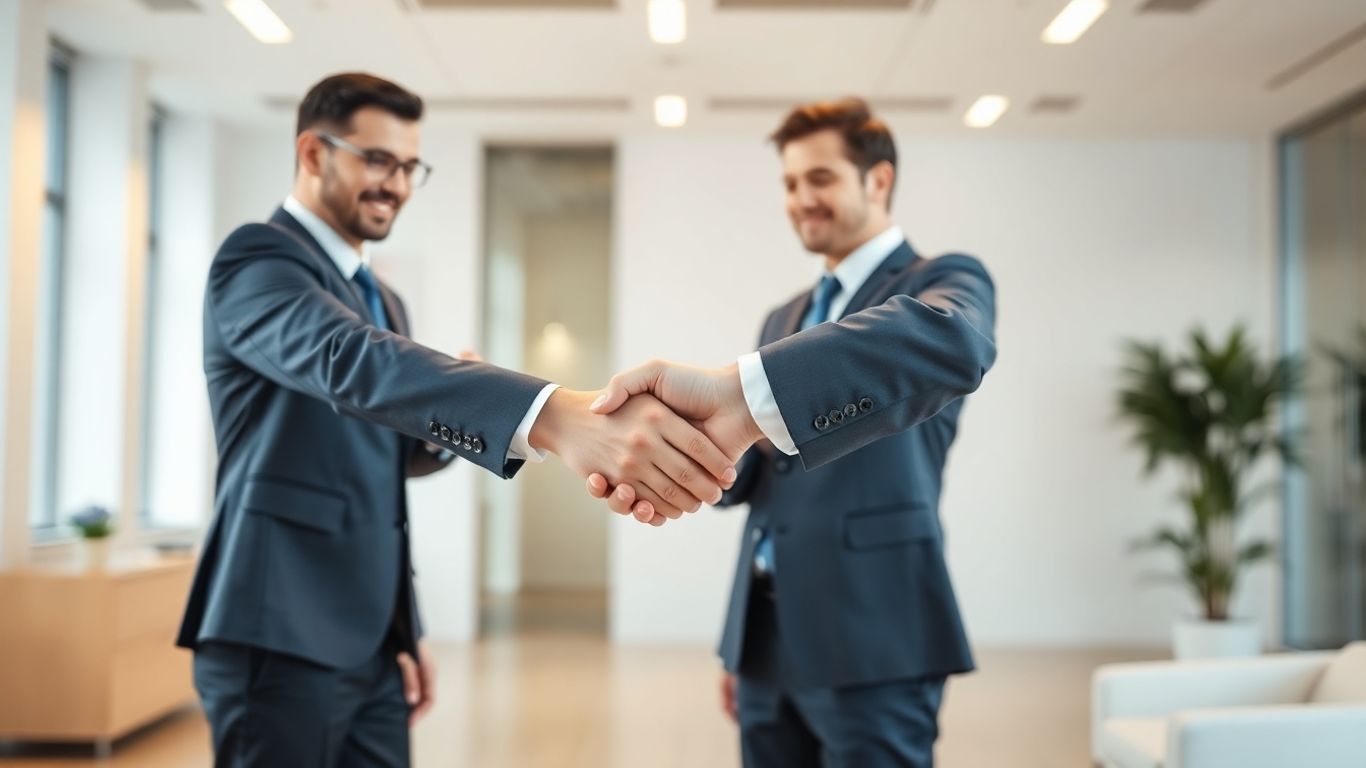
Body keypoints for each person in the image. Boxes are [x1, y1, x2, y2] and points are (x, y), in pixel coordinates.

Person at [177, 72, 735, 767]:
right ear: (314, 154)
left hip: (373, 643)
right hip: (275, 633)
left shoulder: (385, 300)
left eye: (410, 166)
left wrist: (404, 630)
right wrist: (550, 414)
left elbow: (381, 457)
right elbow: (348, 362)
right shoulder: (258, 259)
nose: (397, 184)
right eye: (377, 159)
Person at [589, 97, 997, 767]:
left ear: (880, 180)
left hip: (875, 635)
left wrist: (741, 391)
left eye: (820, 179)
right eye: (789, 183)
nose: (800, 199)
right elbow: (757, 468)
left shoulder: (943, 282)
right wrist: (674, 452)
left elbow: (955, 344)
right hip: (767, 639)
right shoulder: (785, 317)